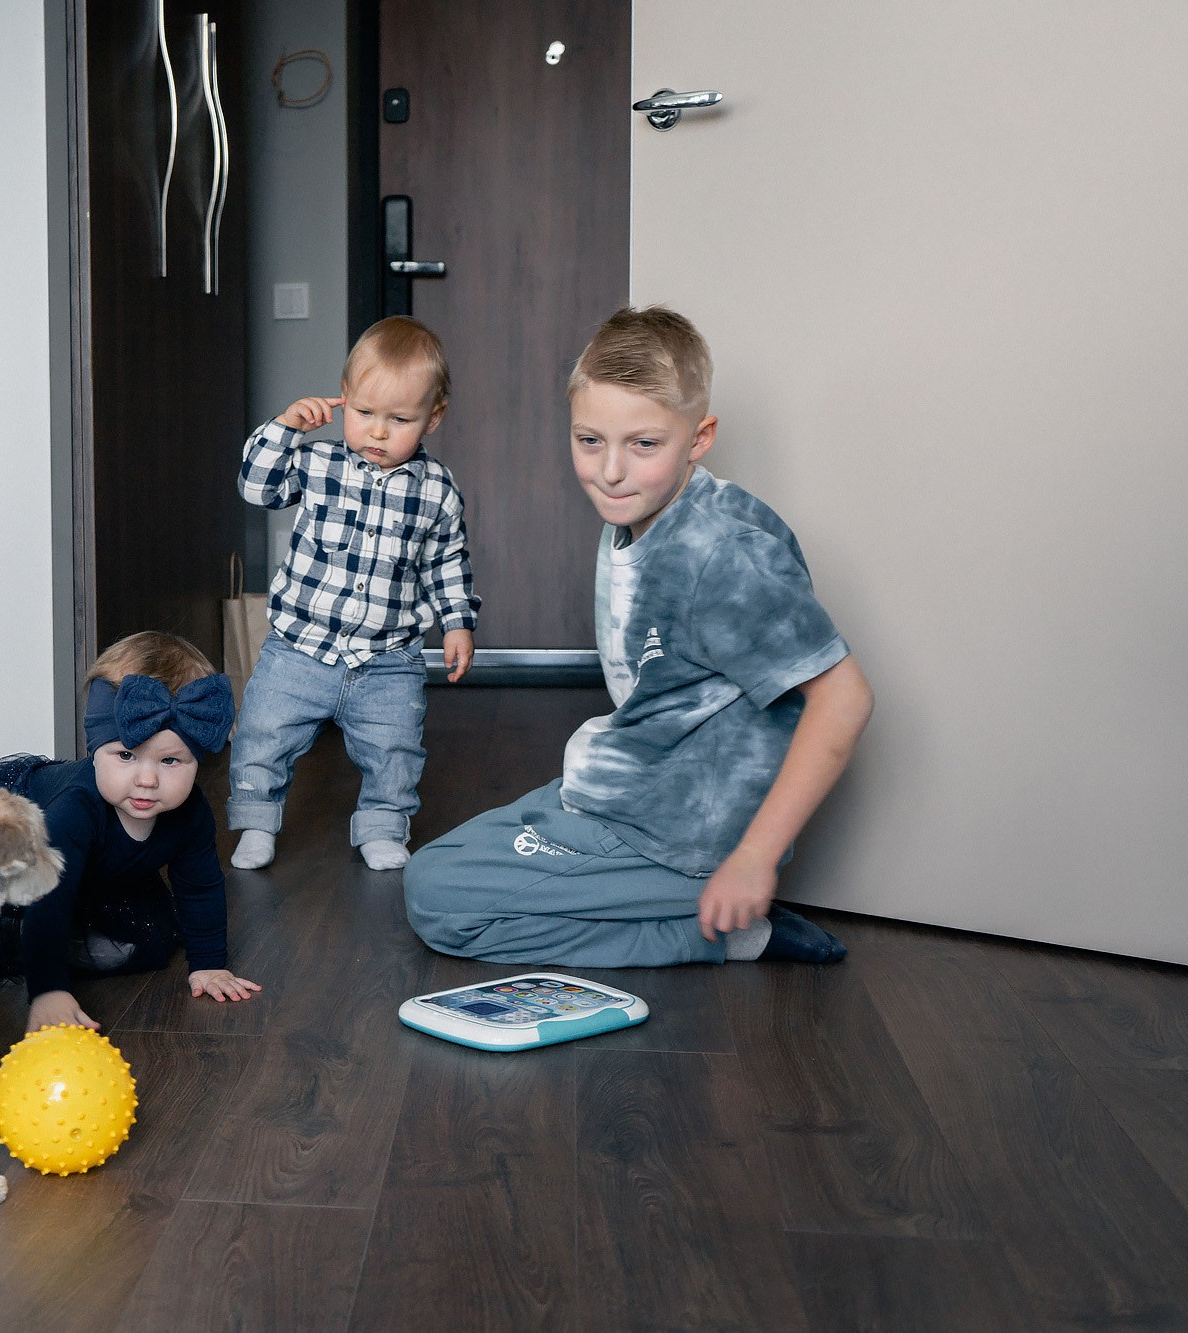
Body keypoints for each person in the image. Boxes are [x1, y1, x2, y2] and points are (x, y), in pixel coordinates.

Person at [404, 306, 874, 965]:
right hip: (631, 784)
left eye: (644, 444)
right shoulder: (641, 513)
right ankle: (681, 903)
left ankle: (724, 930)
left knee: (438, 897)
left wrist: (753, 859)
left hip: (681, 833)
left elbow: (844, 698)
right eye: (589, 440)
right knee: (440, 860)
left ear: (699, 436)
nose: (611, 470)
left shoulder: (722, 554)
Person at [229, 316, 480, 873]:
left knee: (395, 750)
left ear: (432, 418)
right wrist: (284, 428)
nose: (378, 432)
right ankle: (255, 819)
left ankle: (384, 825)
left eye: (400, 419)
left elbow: (446, 559)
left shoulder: (437, 489)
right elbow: (255, 486)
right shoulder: (316, 463)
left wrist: (457, 622)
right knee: (263, 734)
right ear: (344, 400)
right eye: (364, 414)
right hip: (300, 647)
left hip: (388, 658)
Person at [0, 631, 260, 1031]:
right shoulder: (76, 809)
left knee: (150, 942)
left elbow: (200, 887)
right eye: (126, 755)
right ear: (94, 749)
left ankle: (24, 938)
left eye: (170, 761)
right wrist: (49, 991)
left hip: (87, 870)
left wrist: (209, 964)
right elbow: (48, 895)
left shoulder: (190, 813)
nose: (146, 779)